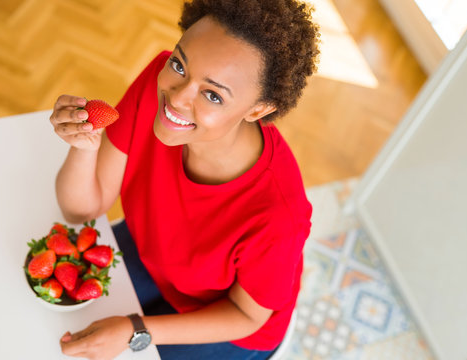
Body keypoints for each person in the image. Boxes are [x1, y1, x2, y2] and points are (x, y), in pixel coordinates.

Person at [50, 0, 319, 359]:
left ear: (258, 109)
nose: (176, 99)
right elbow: (81, 210)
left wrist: (136, 330)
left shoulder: (277, 216)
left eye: (213, 95)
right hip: (159, 257)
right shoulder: (155, 87)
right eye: (179, 64)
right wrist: (84, 147)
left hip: (229, 322)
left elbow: (247, 315)